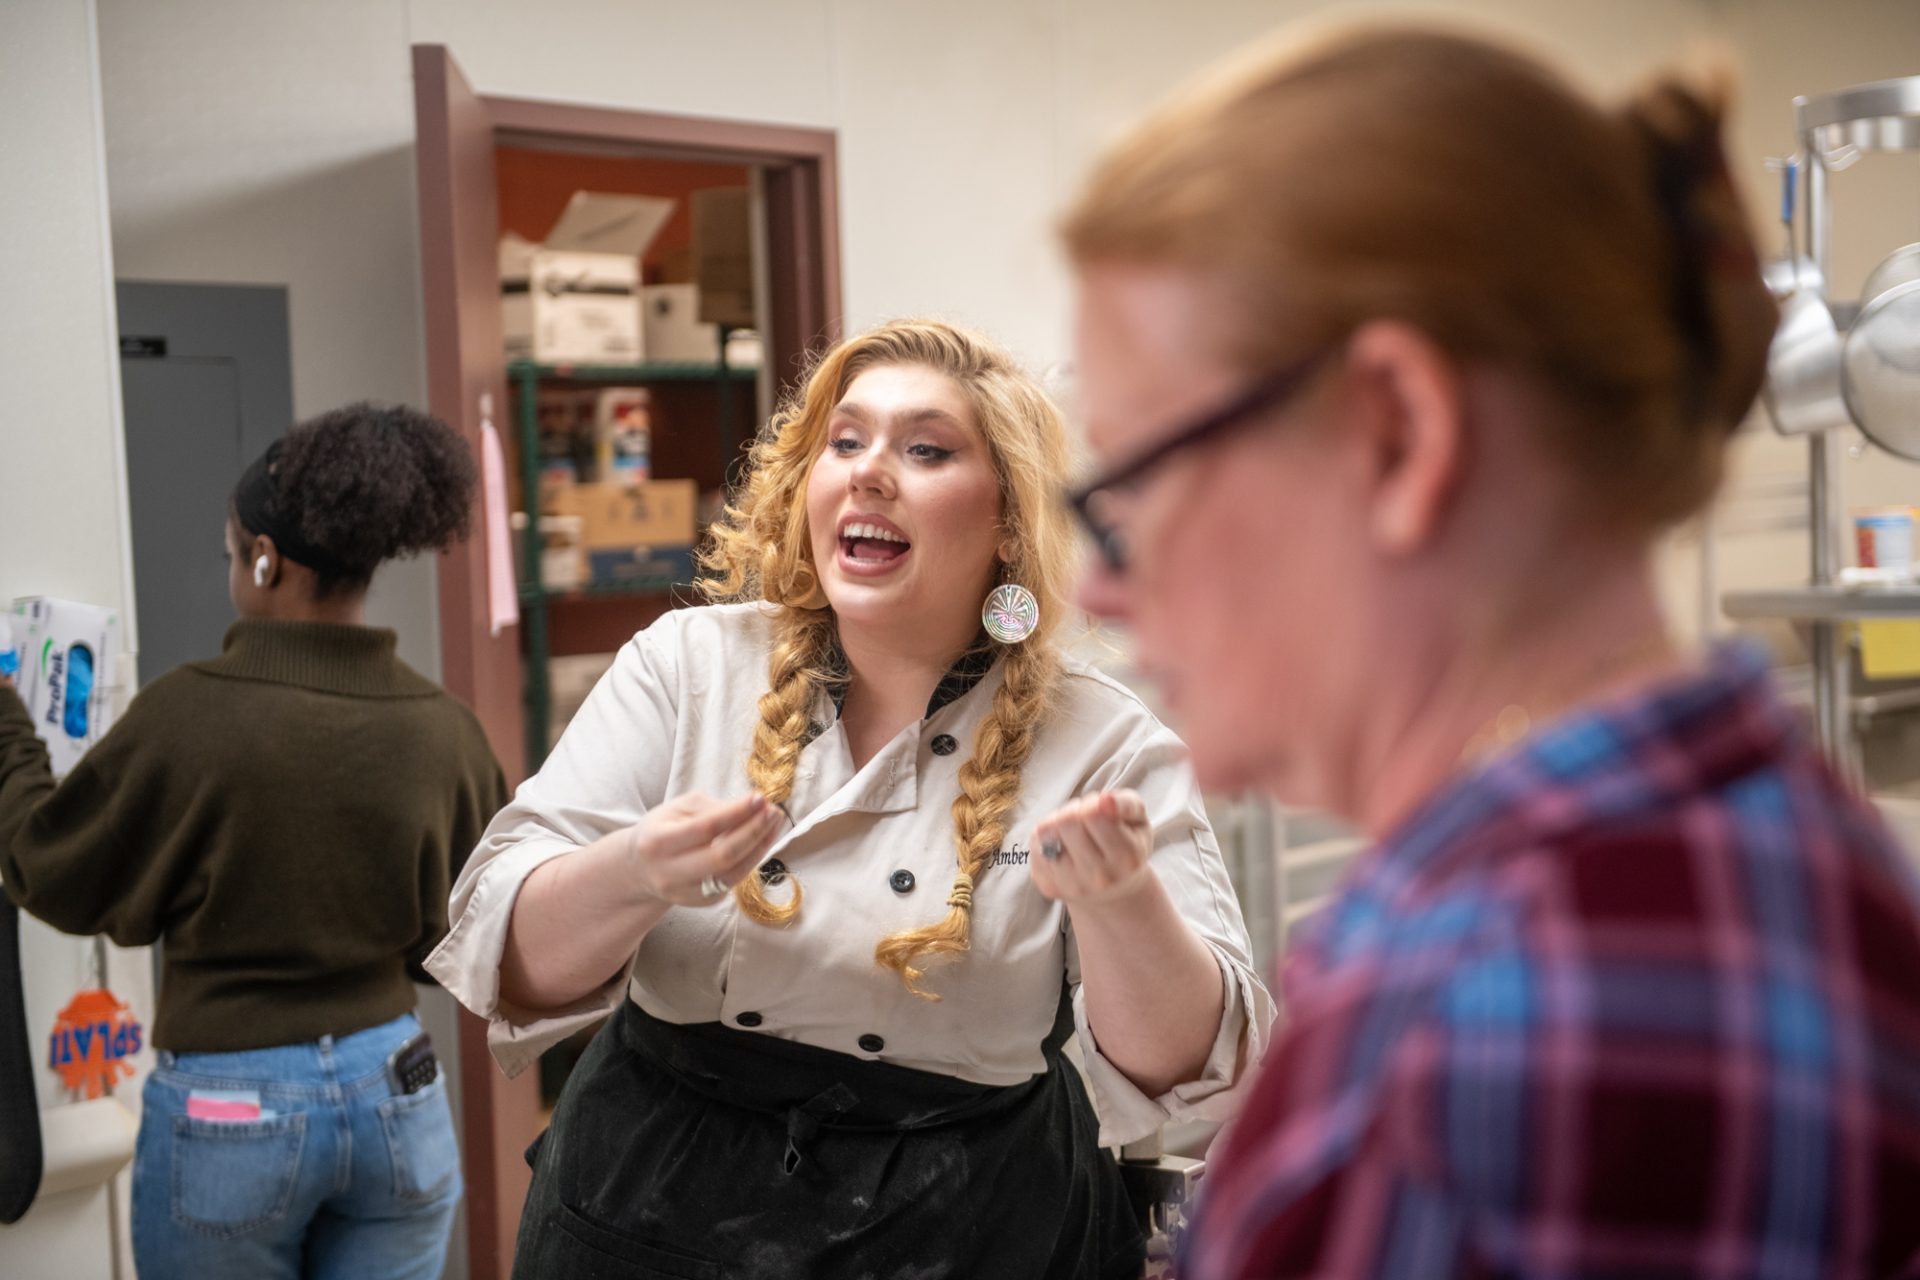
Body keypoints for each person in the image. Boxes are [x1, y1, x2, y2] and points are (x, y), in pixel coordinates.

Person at [1058, 24, 1920, 1279]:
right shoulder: (1776, 835)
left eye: (1132, 479)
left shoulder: (1501, 1033)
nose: (1098, 583)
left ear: (1399, 433)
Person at [427, 319, 1275, 1278]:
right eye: (846, 441)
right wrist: (638, 871)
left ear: (1007, 519)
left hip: (971, 1223)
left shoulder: (1104, 742)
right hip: (650, 1204)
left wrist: (1123, 903)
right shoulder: (688, 667)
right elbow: (515, 963)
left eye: (924, 449)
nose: (871, 471)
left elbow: (1192, 1071)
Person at [0, 403, 507, 1280]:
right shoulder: (448, 733)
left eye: (233, 550)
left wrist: (8, 727)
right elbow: (462, 940)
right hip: (400, 1088)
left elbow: (49, 869)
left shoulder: (184, 715)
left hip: (230, 1109)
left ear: (265, 560)